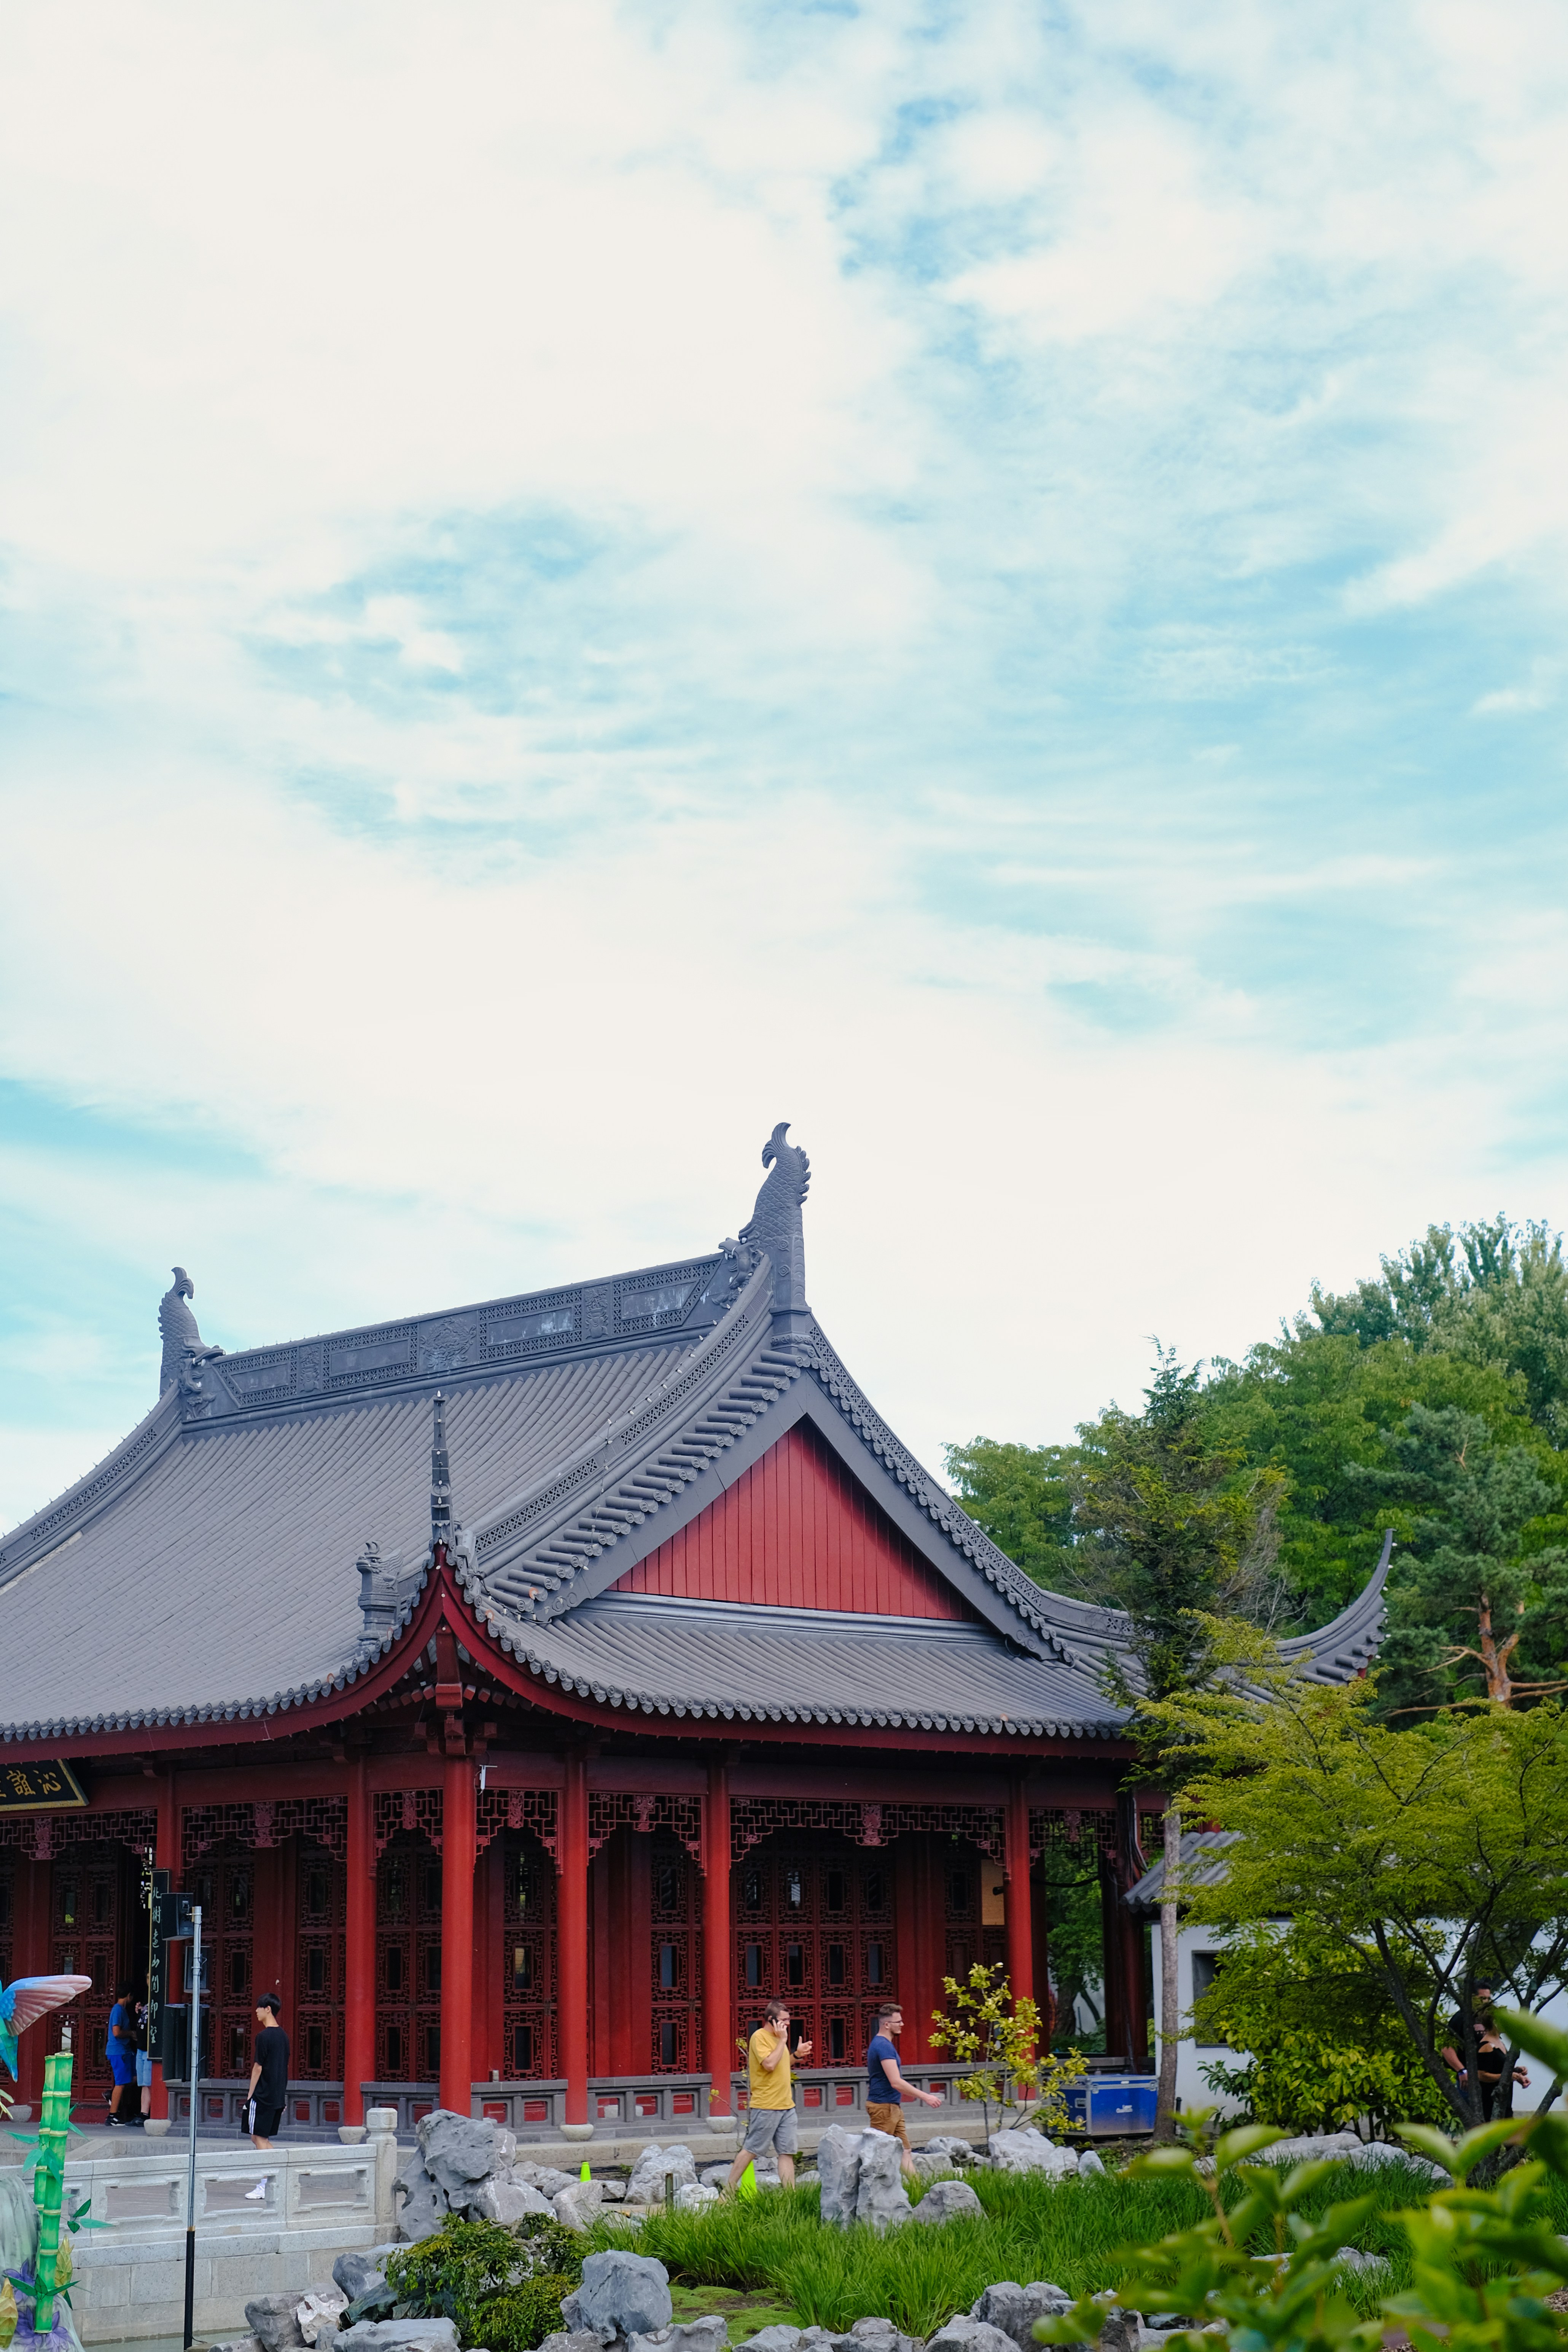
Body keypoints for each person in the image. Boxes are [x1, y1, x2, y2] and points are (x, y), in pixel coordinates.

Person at [726, 1998, 810, 2191]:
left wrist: (797, 2055)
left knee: (787, 2152)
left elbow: (782, 2064)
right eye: (784, 2020)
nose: (787, 2024)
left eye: (789, 2020)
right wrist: (782, 2041)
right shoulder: (760, 2037)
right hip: (767, 2105)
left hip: (786, 2105)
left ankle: (791, 2197)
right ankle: (728, 2190)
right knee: (752, 2149)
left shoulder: (779, 2039)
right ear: (771, 2020)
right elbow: (770, 2065)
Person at [864, 2002, 941, 2179]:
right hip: (883, 2107)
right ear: (887, 2025)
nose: (902, 2024)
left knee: (905, 2150)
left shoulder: (885, 2045)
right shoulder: (883, 2046)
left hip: (893, 2107)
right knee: (878, 2154)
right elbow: (896, 2082)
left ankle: (917, 2188)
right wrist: (925, 2097)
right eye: (898, 2021)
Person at [244, 1993, 290, 2193]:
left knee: (259, 2138)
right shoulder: (284, 2037)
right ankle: (276, 2179)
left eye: (259, 2008)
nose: (256, 2011)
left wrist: (250, 2096)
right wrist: (282, 2096)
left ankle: (268, 2183)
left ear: (268, 2009)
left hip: (262, 2096)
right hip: (277, 2095)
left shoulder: (263, 2037)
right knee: (260, 2138)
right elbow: (283, 2068)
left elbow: (258, 2068)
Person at [107, 1980, 141, 2126]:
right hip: (118, 2051)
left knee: (135, 2078)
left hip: (125, 2051)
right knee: (121, 2083)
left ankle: (111, 2094)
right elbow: (117, 2032)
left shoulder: (123, 2010)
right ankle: (112, 2117)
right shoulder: (118, 2010)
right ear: (129, 1996)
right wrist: (131, 2034)